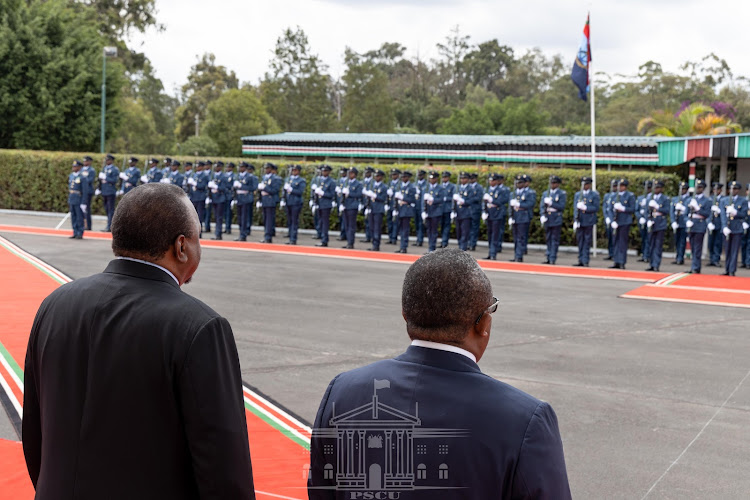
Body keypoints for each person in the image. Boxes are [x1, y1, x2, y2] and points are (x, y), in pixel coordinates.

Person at [23, 183, 255, 499]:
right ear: (181, 246)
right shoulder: (200, 326)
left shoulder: (55, 304)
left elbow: (36, 435)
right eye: (199, 239)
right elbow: (223, 469)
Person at [308, 249, 571, 500]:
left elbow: (321, 492)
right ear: (483, 325)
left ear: (405, 315)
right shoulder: (525, 419)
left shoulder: (342, 392)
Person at [721, 180, 748, 276]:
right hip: (727, 228)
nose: (733, 191)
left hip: (737, 227)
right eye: (731, 189)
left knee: (734, 250)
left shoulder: (743, 201)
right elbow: (723, 215)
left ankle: (732, 270)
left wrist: (735, 212)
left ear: (738, 190)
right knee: (727, 249)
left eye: (735, 189)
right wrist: (724, 226)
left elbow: (744, 214)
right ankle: (727, 269)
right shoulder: (724, 200)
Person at [573, 176, 600, 267]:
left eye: (587, 184)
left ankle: (585, 260)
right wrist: (575, 220)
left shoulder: (594, 195)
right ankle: (580, 259)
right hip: (580, 220)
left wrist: (586, 208)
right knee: (580, 241)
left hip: (588, 220)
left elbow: (596, 208)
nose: (585, 186)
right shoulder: (578, 195)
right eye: (584, 184)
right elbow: (575, 209)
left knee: (587, 241)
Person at [539, 175, 566, 265]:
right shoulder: (546, 193)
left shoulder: (561, 194)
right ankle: (548, 255)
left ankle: (552, 257)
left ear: (558, 184)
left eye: (554, 183)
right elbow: (542, 205)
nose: (552, 185)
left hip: (556, 217)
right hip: (548, 217)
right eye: (551, 183)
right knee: (548, 238)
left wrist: (552, 203)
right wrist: (542, 214)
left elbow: (561, 207)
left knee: (554, 239)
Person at [687, 180, 712, 274]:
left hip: (700, 225)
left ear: (703, 189)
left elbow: (707, 214)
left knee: (697, 247)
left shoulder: (707, 200)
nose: (698, 189)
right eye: (697, 187)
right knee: (693, 247)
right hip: (691, 224)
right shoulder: (690, 199)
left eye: (700, 187)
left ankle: (696, 267)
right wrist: (687, 221)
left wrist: (698, 209)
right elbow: (685, 213)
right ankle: (694, 265)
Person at [644, 181, 670, 272]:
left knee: (658, 245)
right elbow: (646, 211)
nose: (656, 189)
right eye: (655, 188)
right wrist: (647, 220)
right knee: (651, 244)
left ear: (661, 189)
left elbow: (667, 211)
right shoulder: (649, 198)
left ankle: (656, 264)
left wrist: (658, 207)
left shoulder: (665, 199)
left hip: (660, 223)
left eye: (658, 188)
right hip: (651, 222)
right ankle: (651, 263)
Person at [609, 178, 635, 270]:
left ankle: (622, 261)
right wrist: (612, 221)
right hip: (616, 222)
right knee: (615, 241)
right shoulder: (613, 196)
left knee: (622, 242)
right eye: (619, 186)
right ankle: (616, 260)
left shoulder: (630, 196)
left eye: (622, 186)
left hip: (624, 221)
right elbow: (610, 209)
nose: (620, 188)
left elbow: (632, 209)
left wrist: (623, 208)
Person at [509, 175, 536, 262]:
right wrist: (510, 216)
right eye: (517, 182)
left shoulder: (529, 193)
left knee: (521, 237)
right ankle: (516, 255)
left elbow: (530, 204)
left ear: (524, 184)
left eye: (520, 182)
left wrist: (519, 204)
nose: (518, 184)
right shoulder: (513, 193)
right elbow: (510, 207)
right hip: (515, 216)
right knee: (516, 237)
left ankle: (519, 256)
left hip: (523, 217)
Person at [483, 173, 509, 260]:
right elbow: (484, 202)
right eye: (490, 180)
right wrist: (484, 211)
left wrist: (491, 200)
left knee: (495, 235)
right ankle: (490, 252)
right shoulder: (487, 189)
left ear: (497, 181)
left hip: (497, 215)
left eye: (493, 180)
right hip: (489, 214)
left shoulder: (501, 190)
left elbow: (501, 202)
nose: (491, 182)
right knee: (490, 235)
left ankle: (493, 253)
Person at [363, 169, 388, 251]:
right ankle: (373, 243)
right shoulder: (372, 185)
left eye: (378, 176)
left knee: (377, 228)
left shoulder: (383, 187)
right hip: (372, 209)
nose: (376, 178)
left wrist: (375, 196)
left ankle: (376, 245)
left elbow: (383, 198)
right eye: (375, 176)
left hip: (378, 209)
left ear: (381, 177)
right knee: (371, 228)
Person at [394, 171, 417, 253]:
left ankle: (404, 247)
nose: (403, 178)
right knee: (400, 230)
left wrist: (403, 198)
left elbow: (413, 200)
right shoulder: (400, 186)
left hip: (406, 211)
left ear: (408, 178)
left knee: (405, 230)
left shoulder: (412, 187)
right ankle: (401, 246)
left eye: (405, 177)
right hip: (400, 210)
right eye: (402, 177)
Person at [258, 163, 281, 243]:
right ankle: (266, 234)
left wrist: (265, 188)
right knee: (265, 219)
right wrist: (259, 200)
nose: (266, 170)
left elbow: (275, 190)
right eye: (265, 168)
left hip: (270, 201)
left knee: (269, 219)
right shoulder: (264, 177)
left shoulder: (276, 178)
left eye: (267, 168)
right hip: (264, 200)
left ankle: (268, 237)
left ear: (271, 169)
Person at [235, 162, 258, 242]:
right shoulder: (238, 176)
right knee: (240, 218)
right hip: (239, 198)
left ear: (245, 168)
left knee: (244, 218)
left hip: (246, 198)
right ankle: (241, 233)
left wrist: (241, 186)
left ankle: (243, 235)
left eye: (242, 167)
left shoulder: (250, 176)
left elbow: (253, 188)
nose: (240, 168)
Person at [314, 165, 336, 247]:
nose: (324, 172)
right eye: (323, 171)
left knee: (325, 223)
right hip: (319, 204)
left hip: (326, 205)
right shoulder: (319, 180)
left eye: (326, 171)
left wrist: (323, 193)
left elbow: (332, 194)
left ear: (329, 172)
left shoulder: (331, 182)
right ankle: (321, 237)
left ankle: (324, 240)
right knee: (320, 222)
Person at [283, 164, 306, 245]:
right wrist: (283, 199)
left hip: (296, 203)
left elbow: (300, 192)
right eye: (292, 170)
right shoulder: (288, 179)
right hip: (288, 202)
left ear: (298, 171)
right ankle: (290, 236)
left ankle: (293, 238)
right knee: (289, 221)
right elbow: (284, 191)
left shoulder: (301, 181)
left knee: (294, 221)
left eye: (295, 170)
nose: (293, 172)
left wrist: (291, 189)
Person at [422, 171, 444, 252]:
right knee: (428, 230)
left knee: (434, 230)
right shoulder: (426, 188)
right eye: (430, 178)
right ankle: (430, 246)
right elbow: (422, 201)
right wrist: (423, 211)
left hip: (436, 212)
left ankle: (432, 247)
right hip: (428, 211)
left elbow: (441, 200)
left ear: (436, 179)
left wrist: (433, 199)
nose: (431, 180)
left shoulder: (440, 188)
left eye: (433, 178)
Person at [341, 167, 363, 249]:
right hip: (345, 206)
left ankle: (351, 242)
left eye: (351, 173)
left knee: (351, 226)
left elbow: (359, 194)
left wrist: (349, 193)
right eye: (349, 173)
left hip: (352, 206)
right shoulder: (346, 183)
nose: (349, 175)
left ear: (355, 175)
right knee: (346, 225)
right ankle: (348, 241)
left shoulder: (358, 184)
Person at [67, 160, 89, 240]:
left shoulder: (83, 177)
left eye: (75, 166)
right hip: (72, 198)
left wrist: (83, 202)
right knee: (73, 216)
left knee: (79, 217)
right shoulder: (71, 176)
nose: (74, 168)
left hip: (78, 199)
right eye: (73, 166)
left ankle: (80, 232)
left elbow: (85, 191)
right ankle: (75, 231)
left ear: (80, 167)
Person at [208, 161, 230, 241]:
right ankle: (217, 233)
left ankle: (218, 234)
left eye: (217, 166)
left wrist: (215, 187)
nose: (215, 168)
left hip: (220, 198)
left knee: (219, 217)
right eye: (215, 166)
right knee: (216, 217)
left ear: (220, 167)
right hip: (214, 198)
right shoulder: (213, 175)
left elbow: (224, 188)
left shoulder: (223, 176)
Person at [186, 161, 208, 239]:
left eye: (198, 166)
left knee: (199, 216)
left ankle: (199, 232)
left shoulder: (204, 176)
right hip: (193, 197)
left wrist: (195, 184)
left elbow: (203, 186)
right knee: (192, 216)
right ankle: (193, 232)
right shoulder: (194, 175)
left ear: (201, 167)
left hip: (200, 197)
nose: (197, 168)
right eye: (196, 166)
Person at [670, 181, 690, 265]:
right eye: (681, 189)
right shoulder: (675, 199)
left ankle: (680, 258)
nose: (682, 190)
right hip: (676, 222)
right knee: (676, 241)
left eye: (684, 189)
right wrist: (673, 221)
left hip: (683, 222)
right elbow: (671, 211)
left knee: (682, 241)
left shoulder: (689, 199)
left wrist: (683, 209)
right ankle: (678, 256)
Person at [707, 182, 724, 267]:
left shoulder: (723, 199)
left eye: (717, 189)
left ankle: (716, 259)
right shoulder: (709, 199)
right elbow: (707, 212)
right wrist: (708, 222)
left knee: (718, 242)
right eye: (714, 189)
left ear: (720, 190)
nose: (715, 191)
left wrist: (719, 211)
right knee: (710, 242)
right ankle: (711, 259)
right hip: (711, 223)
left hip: (719, 223)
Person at [453, 172, 473, 251]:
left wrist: (462, 201)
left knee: (465, 232)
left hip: (466, 213)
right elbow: (453, 201)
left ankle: (463, 248)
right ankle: (460, 246)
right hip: (458, 213)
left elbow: (471, 201)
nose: (462, 180)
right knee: (458, 232)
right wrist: (453, 210)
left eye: (464, 178)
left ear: (467, 180)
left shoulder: (470, 189)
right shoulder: (457, 188)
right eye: (461, 178)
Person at [636, 181, 653, 263]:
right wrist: (640, 218)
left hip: (650, 221)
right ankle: (644, 254)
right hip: (642, 221)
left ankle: (648, 255)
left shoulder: (652, 198)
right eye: (646, 188)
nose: (647, 189)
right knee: (643, 238)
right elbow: (636, 210)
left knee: (649, 239)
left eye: (649, 188)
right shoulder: (640, 198)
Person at [468, 172, 484, 251]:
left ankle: (472, 244)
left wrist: (467, 200)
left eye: (472, 179)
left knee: (474, 228)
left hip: (475, 210)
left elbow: (478, 198)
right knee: (467, 228)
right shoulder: (467, 187)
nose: (471, 180)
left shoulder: (479, 187)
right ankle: (468, 243)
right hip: (467, 211)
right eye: (470, 179)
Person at [439, 171, 455, 248]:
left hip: (447, 209)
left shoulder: (452, 186)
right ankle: (442, 240)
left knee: (446, 226)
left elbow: (453, 197)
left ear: (448, 178)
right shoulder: (440, 186)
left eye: (445, 177)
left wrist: (446, 198)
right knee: (441, 226)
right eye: (443, 177)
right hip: (440, 209)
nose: (444, 179)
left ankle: (444, 242)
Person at [603, 179, 617, 261]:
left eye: (615, 186)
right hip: (608, 219)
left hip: (616, 220)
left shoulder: (618, 196)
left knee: (616, 238)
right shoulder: (607, 196)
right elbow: (605, 207)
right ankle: (610, 253)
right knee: (610, 237)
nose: (613, 188)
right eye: (613, 186)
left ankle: (615, 254)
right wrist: (606, 217)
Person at [81, 156, 96, 230]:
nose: (85, 163)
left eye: (86, 161)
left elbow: (90, 180)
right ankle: (83, 224)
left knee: (87, 209)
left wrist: (82, 180)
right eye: (84, 161)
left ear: (90, 162)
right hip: (81, 192)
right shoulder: (81, 169)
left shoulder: (91, 170)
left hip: (88, 191)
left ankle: (88, 226)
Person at [386, 169, 402, 245]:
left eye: (395, 174)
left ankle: (394, 238)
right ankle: (390, 237)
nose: (393, 176)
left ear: (398, 175)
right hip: (390, 205)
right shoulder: (390, 183)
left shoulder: (400, 184)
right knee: (389, 222)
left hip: (396, 206)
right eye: (392, 175)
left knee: (395, 222)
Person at [414, 169, 427, 247]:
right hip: (415, 207)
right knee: (416, 224)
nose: (419, 177)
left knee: (421, 225)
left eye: (421, 175)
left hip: (422, 207)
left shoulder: (426, 185)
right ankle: (417, 239)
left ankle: (420, 240)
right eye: (418, 175)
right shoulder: (415, 184)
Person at [361, 167, 375, 243]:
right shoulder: (363, 182)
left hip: (371, 204)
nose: (366, 174)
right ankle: (367, 236)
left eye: (368, 172)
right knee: (366, 221)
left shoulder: (373, 182)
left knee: (371, 222)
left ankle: (371, 236)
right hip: (364, 203)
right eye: (365, 172)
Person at [224, 162, 237, 235]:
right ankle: (226, 227)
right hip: (224, 196)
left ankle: (228, 228)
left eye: (229, 167)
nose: (227, 168)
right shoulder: (224, 176)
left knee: (229, 213)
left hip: (229, 195)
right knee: (225, 213)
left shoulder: (234, 176)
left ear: (232, 168)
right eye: (227, 167)